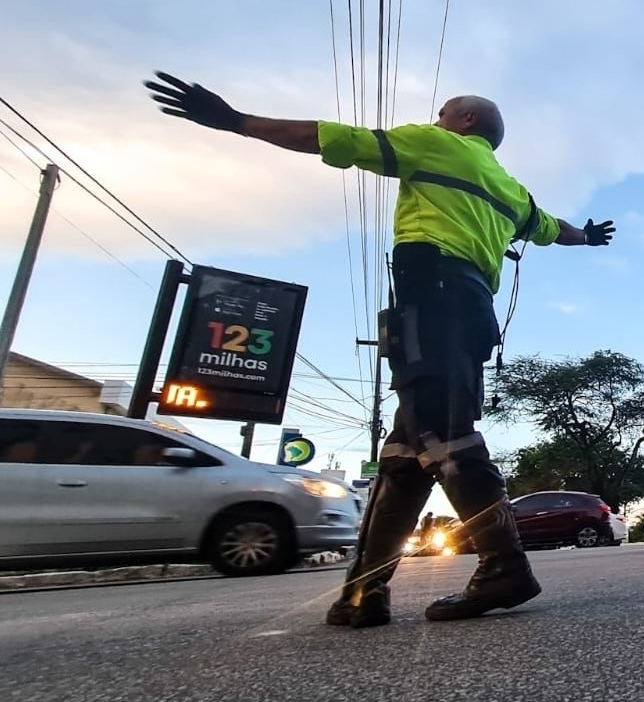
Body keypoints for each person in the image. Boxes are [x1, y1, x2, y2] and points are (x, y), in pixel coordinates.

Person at [144, 72, 616, 626]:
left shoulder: (437, 144)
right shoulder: (510, 189)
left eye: (442, 113)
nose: (434, 119)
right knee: (403, 458)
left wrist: (236, 121)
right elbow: (549, 228)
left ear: (464, 122)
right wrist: (586, 236)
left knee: (446, 439)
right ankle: (364, 594)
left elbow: (335, 139)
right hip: (469, 312)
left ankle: (505, 565)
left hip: (432, 297)